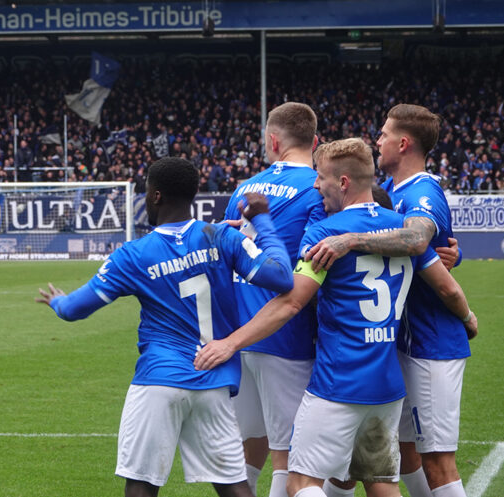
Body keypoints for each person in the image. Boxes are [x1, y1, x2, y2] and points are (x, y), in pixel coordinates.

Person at [194, 139, 475, 497]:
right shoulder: (403, 229)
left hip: (337, 381)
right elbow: (446, 287)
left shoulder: (326, 233)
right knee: (382, 484)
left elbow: (290, 303)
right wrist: (468, 318)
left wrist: (229, 342)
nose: (315, 185)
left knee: (301, 481)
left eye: (321, 178)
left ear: (343, 183)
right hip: (387, 385)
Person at [36, 156, 295, 497]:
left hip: (159, 380)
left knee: (142, 483)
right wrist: (262, 220)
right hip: (213, 378)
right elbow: (281, 277)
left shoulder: (133, 255)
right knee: (234, 487)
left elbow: (74, 310)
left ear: (155, 197)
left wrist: (58, 301)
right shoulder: (222, 237)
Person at [305, 105, 475, 497]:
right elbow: (427, 249)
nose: (377, 140)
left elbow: (416, 241)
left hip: (431, 342)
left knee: (437, 461)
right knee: (400, 455)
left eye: (383, 134)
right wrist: (452, 255)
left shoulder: (422, 189)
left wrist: (349, 240)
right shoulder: (393, 192)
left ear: (403, 142)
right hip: (400, 340)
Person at [224, 102, 324, 497]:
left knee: (249, 442)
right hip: (286, 334)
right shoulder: (318, 188)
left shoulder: (242, 190)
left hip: (242, 335)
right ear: (315, 142)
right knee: (289, 455)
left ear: (272, 140)